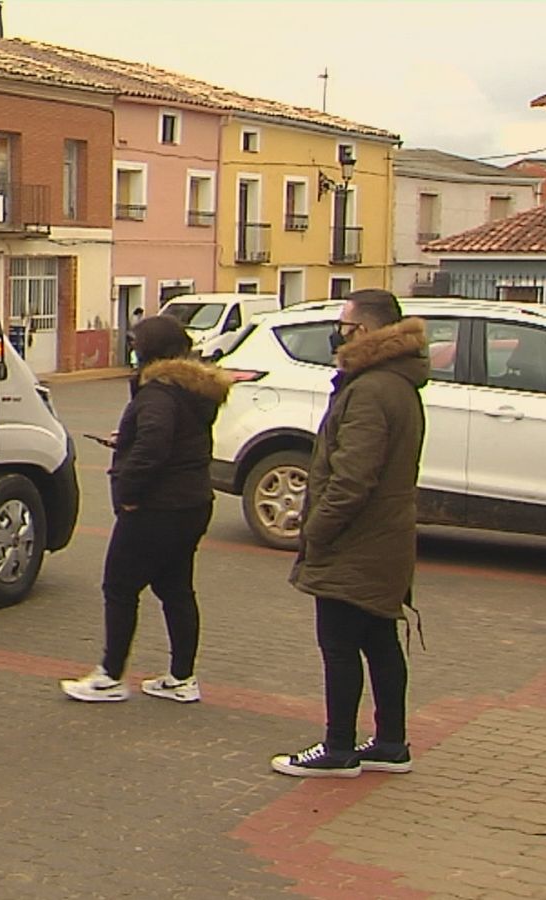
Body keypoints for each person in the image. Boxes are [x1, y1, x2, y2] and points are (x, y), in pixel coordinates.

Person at [271, 290, 428, 778]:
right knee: (379, 639)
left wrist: (317, 530)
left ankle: (338, 748)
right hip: (383, 537)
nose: (337, 333)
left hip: (358, 541)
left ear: (363, 332)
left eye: (344, 324)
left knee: (340, 644)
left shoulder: (372, 390)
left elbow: (352, 475)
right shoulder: (394, 383)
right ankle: (389, 743)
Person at [60, 314, 231, 703]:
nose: (132, 349)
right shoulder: (193, 389)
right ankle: (181, 678)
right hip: (192, 503)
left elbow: (155, 445)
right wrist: (128, 440)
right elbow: (175, 438)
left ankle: (110, 676)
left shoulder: (158, 392)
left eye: (136, 343)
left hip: (157, 507)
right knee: (176, 588)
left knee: (120, 587)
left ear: (149, 350)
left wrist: (128, 491)